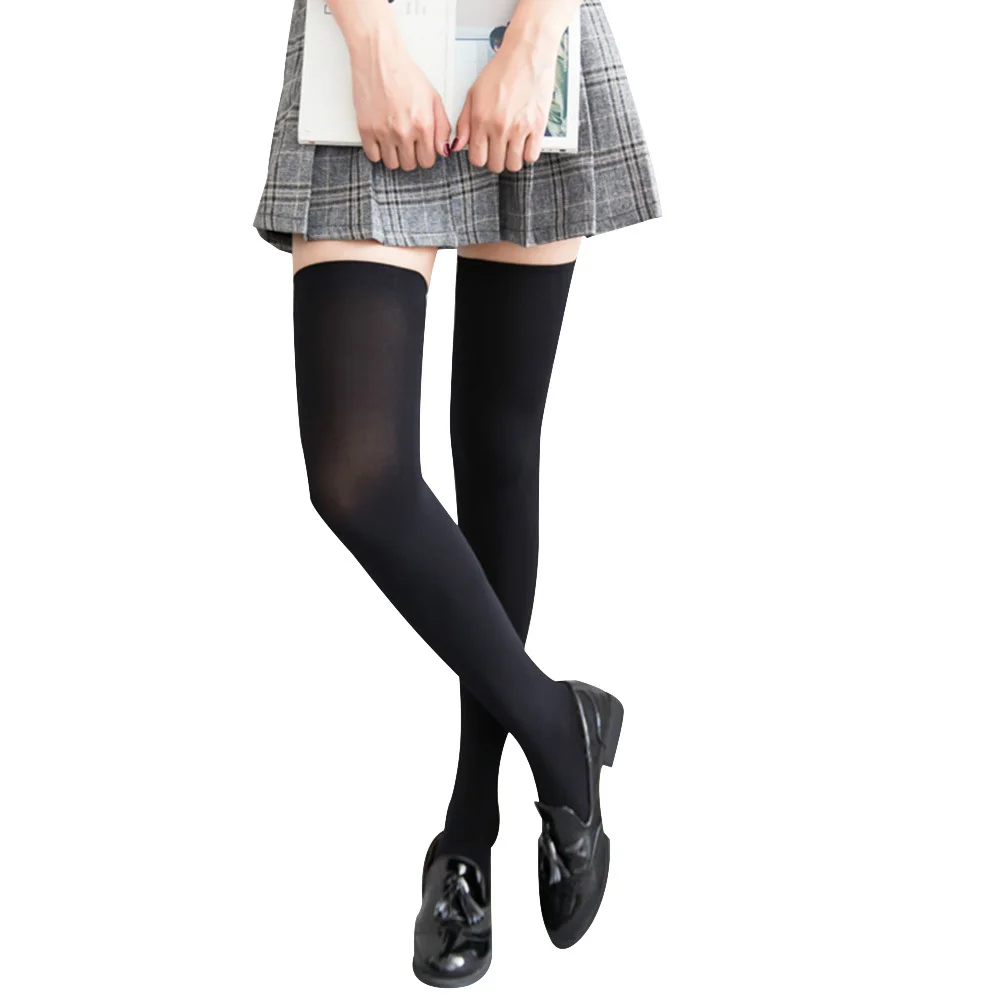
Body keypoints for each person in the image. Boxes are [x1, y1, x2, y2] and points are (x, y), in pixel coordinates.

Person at [253, 0, 660, 987]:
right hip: (366, 47)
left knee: (497, 447)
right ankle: (557, 729)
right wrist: (368, 41)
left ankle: (467, 835)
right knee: (359, 474)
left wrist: (534, 40)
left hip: (524, 39)